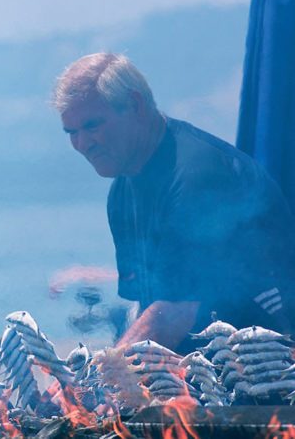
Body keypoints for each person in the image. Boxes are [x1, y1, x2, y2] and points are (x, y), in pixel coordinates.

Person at [52, 52, 295, 353]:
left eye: (92, 125)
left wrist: (108, 377)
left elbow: (175, 312)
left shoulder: (198, 176)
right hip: (201, 365)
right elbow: (149, 306)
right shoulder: (122, 193)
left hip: (271, 360)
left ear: (136, 105)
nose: (82, 144)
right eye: (71, 132)